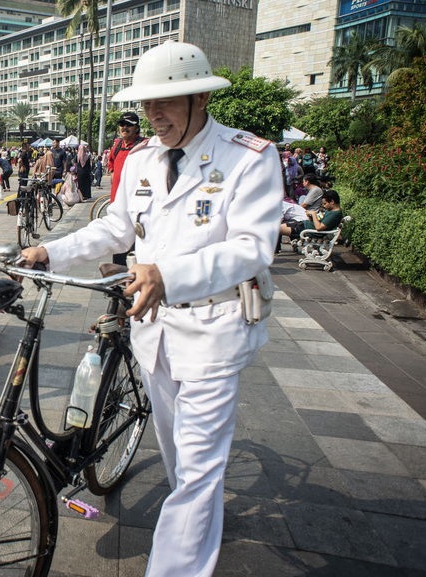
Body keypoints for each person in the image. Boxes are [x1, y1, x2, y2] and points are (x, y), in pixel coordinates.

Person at [21, 41, 281, 577]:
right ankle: (199, 522)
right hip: (154, 331)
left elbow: (253, 247)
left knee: (197, 474)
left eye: (167, 102)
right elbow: (115, 227)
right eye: (147, 104)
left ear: (202, 96)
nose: (153, 115)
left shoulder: (247, 157)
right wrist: (52, 249)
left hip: (214, 329)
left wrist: (168, 274)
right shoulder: (140, 160)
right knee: (179, 459)